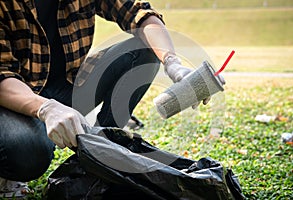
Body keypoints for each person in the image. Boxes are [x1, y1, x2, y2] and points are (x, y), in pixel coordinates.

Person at [0, 0, 210, 198]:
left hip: (69, 84)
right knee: (28, 153)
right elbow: (2, 74)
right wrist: (46, 108)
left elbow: (139, 13)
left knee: (143, 51)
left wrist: (172, 63)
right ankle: (7, 171)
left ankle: (102, 155)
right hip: (15, 98)